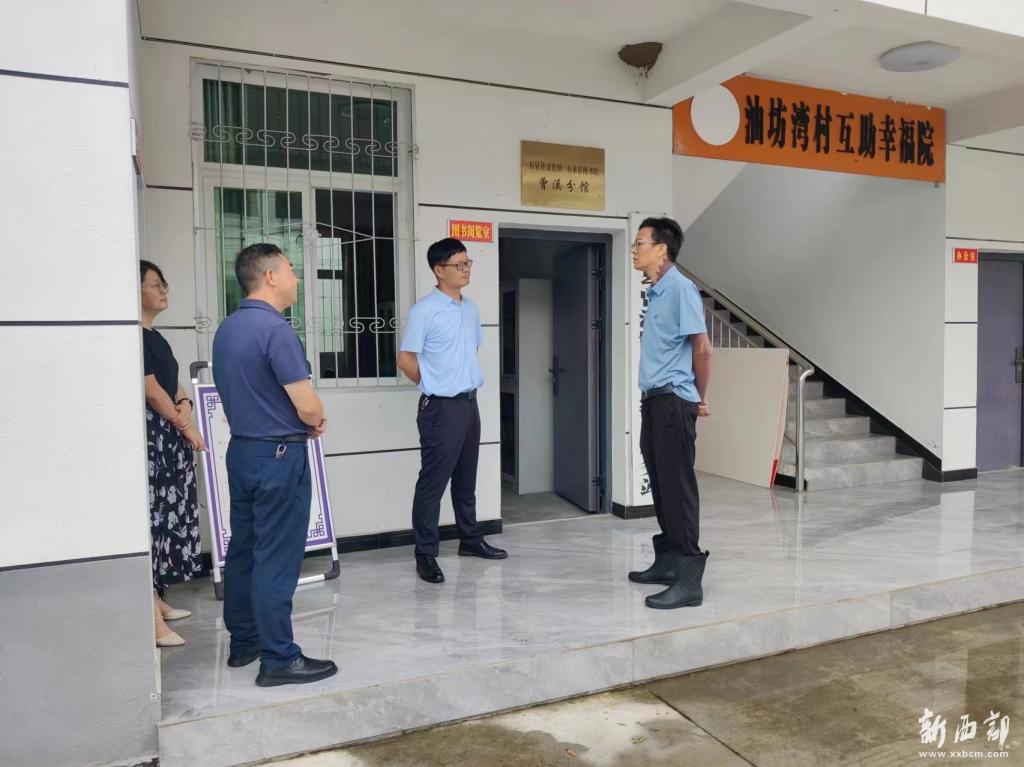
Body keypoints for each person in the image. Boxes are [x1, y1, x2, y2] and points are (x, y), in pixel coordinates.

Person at [212, 243, 337, 687]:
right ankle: (279, 657)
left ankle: (244, 641)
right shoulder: (275, 330)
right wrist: (315, 418)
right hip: (279, 456)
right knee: (277, 557)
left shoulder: (227, 329)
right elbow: (306, 404)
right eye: (290, 269)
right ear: (270, 276)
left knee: (244, 549)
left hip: (243, 451)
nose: (296, 278)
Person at [397, 237, 507, 584]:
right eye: (459, 265)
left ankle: (470, 540)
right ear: (438, 270)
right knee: (433, 483)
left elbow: (470, 350)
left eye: (467, 263)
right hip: (441, 408)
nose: (466, 270)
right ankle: (425, 554)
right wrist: (432, 383)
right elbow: (405, 359)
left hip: (469, 404)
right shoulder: (424, 311)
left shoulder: (470, 308)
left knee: (465, 478)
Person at [627, 217, 713, 610]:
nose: (634, 250)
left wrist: (699, 397)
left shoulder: (680, 289)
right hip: (655, 401)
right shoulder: (658, 291)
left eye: (640, 243)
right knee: (661, 486)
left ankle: (689, 580)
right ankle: (667, 562)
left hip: (674, 401)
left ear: (661, 249)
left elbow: (703, 349)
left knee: (678, 489)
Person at [140, 260, 205, 648]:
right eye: (155, 285)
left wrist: (185, 402)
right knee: (152, 520)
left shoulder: (155, 336)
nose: (163, 290)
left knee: (166, 519)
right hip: (154, 439)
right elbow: (151, 391)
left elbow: (170, 383)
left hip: (167, 436)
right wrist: (186, 425)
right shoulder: (133, 336)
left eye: (164, 284)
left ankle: (157, 600)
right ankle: (150, 614)